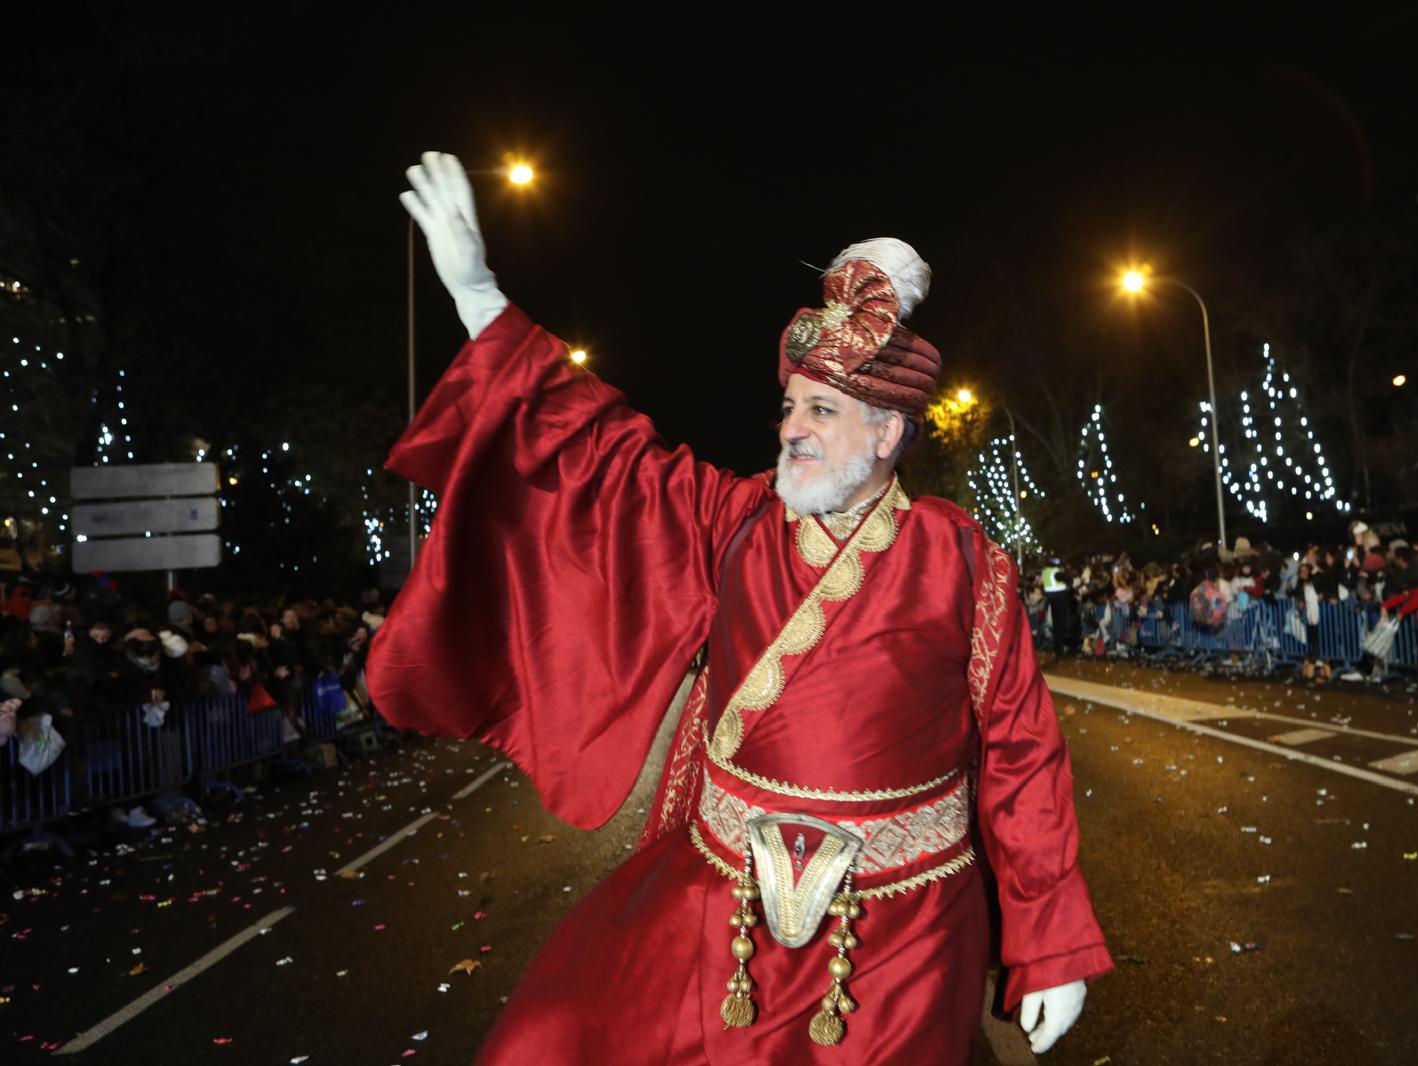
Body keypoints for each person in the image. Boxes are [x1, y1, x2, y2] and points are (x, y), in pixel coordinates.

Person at [368, 152, 1111, 1065]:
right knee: (555, 1037)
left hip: (904, 932)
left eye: (823, 410)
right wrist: (479, 297)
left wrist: (1049, 944)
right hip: (723, 906)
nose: (794, 426)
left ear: (887, 433)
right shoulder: (733, 518)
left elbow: (1022, 753)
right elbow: (600, 453)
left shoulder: (962, 560)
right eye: (791, 404)